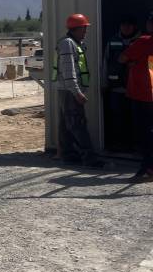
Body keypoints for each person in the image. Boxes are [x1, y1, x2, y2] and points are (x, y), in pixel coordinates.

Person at [53, 13, 103, 167]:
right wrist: (77, 92)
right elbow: (69, 71)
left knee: (66, 124)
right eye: (84, 28)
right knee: (77, 123)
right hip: (70, 91)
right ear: (75, 28)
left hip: (67, 90)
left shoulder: (74, 43)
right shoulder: (68, 44)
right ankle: (89, 158)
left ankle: (69, 155)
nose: (85, 31)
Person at [119, 12, 153, 183]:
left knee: (145, 133)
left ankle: (148, 169)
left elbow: (122, 58)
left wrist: (133, 62)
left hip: (143, 94)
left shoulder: (143, 41)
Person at [102, 15, 140, 149]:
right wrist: (104, 84)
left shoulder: (142, 42)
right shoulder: (112, 41)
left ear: (134, 26)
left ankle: (135, 145)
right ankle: (119, 144)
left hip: (137, 90)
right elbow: (105, 63)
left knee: (136, 120)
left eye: (129, 25)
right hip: (116, 89)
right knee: (117, 119)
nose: (126, 27)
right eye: (123, 24)